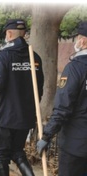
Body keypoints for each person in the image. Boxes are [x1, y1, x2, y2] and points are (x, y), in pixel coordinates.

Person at [0, 19, 44, 176]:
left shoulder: (5, 55)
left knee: (1, 155)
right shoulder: (34, 57)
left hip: (7, 116)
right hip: (25, 116)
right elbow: (39, 89)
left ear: (9, 34)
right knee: (17, 152)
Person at [36, 21, 87, 176]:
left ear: (83, 41)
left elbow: (63, 108)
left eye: (77, 37)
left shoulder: (75, 68)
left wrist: (47, 135)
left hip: (75, 145)